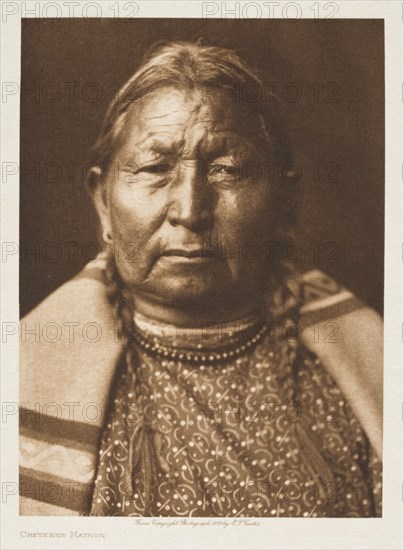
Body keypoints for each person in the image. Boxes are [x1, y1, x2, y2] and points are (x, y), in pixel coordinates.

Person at [19, 41, 383, 517]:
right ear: (103, 202)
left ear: (285, 203)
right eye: (153, 168)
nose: (190, 211)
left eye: (227, 170)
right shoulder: (22, 375)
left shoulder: (369, 367)